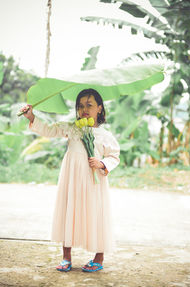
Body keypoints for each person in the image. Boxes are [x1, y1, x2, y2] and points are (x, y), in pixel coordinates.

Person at [21, 88, 120, 272]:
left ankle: (99, 257)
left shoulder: (105, 135)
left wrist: (102, 163)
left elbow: (114, 156)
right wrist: (31, 117)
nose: (84, 109)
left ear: (99, 108)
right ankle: (66, 257)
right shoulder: (71, 128)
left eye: (89, 105)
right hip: (71, 179)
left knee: (95, 213)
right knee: (69, 211)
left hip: (93, 182)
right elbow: (49, 130)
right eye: (80, 106)